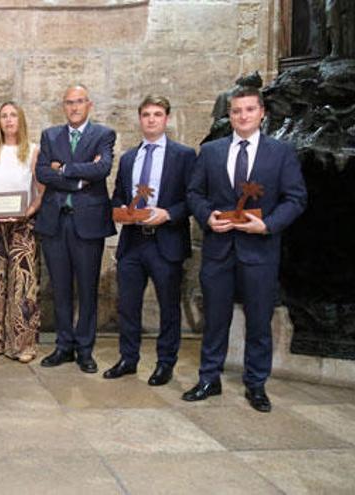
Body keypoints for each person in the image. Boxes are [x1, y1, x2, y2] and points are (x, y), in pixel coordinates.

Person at [183, 87, 307, 412]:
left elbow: (296, 199)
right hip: (219, 250)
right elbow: (194, 193)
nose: (243, 116)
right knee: (215, 318)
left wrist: (267, 225)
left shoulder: (281, 153)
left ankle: (256, 385)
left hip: (260, 251)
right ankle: (209, 378)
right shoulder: (210, 152)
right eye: (237, 111)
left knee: (258, 321)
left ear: (261, 112)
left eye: (249, 110)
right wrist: (207, 216)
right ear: (230, 114)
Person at [104, 95, 196, 385]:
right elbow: (119, 193)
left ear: (166, 118)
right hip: (133, 242)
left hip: (165, 242)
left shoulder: (183, 155)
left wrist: (168, 214)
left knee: (169, 307)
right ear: (140, 119)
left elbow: (193, 198)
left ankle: (165, 363)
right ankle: (128, 359)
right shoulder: (131, 157)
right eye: (146, 114)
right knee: (128, 305)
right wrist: (120, 210)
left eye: (157, 114)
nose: (152, 119)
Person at [35, 84, 116, 373]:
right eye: (69, 102)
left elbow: (103, 168)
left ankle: (85, 349)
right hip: (55, 222)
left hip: (88, 224)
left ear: (89, 105)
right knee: (59, 288)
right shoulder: (50, 135)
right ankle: (63, 345)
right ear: (63, 106)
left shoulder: (103, 135)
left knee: (87, 288)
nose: (74, 107)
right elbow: (42, 172)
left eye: (79, 102)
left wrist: (65, 170)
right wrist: (81, 176)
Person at [0, 101, 43, 363]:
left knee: (23, 286)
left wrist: (30, 211)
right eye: (4, 115)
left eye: (13, 115)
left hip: (22, 226)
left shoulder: (33, 151)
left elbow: (40, 190)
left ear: (21, 119)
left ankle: (23, 344)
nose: (9, 120)